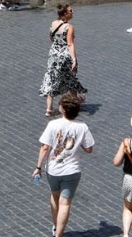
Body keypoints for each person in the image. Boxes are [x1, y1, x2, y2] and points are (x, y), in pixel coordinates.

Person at [34, 93, 95, 237]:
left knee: (55, 197)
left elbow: (45, 147)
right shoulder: (82, 127)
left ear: (62, 109)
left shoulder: (53, 124)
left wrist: (38, 167)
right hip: (72, 171)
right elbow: (89, 149)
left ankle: (56, 227)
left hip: (53, 170)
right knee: (65, 203)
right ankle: (59, 234)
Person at [39, 4, 88, 116]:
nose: (72, 12)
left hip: (53, 54)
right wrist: (74, 59)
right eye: (70, 11)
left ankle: (49, 109)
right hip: (64, 55)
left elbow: (51, 38)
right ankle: (75, 104)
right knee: (70, 78)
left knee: (51, 78)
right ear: (65, 14)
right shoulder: (69, 27)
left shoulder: (53, 23)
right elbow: (70, 44)